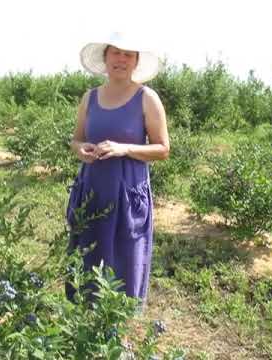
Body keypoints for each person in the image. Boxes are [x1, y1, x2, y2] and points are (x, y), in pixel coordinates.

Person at [65, 32, 169, 310]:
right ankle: (85, 319)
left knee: (124, 259)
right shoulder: (90, 98)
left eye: (128, 54)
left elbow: (162, 149)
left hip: (126, 196)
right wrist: (80, 148)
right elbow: (75, 140)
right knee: (89, 256)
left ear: (135, 61)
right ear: (105, 57)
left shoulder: (147, 98)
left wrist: (124, 148)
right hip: (93, 190)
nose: (121, 59)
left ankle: (116, 326)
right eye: (116, 52)